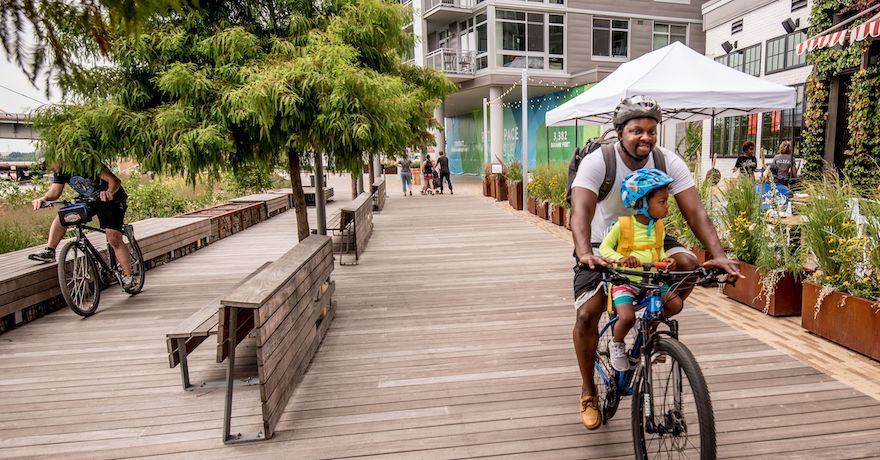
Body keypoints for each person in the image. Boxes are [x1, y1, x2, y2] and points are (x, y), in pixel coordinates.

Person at [569, 95, 740, 431]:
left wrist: (717, 254)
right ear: (620, 132)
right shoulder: (598, 162)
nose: (645, 138)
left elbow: (695, 212)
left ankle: (649, 325)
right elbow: (581, 212)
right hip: (604, 243)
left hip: (652, 238)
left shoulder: (666, 161)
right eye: (636, 131)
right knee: (588, 313)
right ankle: (589, 392)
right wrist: (584, 252)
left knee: (689, 263)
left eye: (651, 131)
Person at [599, 168, 677, 372]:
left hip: (650, 280)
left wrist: (665, 260)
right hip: (626, 282)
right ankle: (616, 343)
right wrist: (622, 259)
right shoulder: (623, 225)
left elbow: (658, 251)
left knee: (674, 304)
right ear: (641, 203)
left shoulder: (659, 227)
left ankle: (645, 328)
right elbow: (604, 248)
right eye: (662, 202)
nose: (667, 207)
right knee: (626, 317)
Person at [29, 162, 135, 289]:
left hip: (111, 199)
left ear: (57, 158)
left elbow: (115, 180)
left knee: (113, 238)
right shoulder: (60, 170)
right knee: (64, 216)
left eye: (46, 164)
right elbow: (55, 192)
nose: (46, 168)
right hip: (88, 200)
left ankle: (128, 276)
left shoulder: (84, 162)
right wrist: (43, 199)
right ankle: (50, 251)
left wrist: (109, 191)